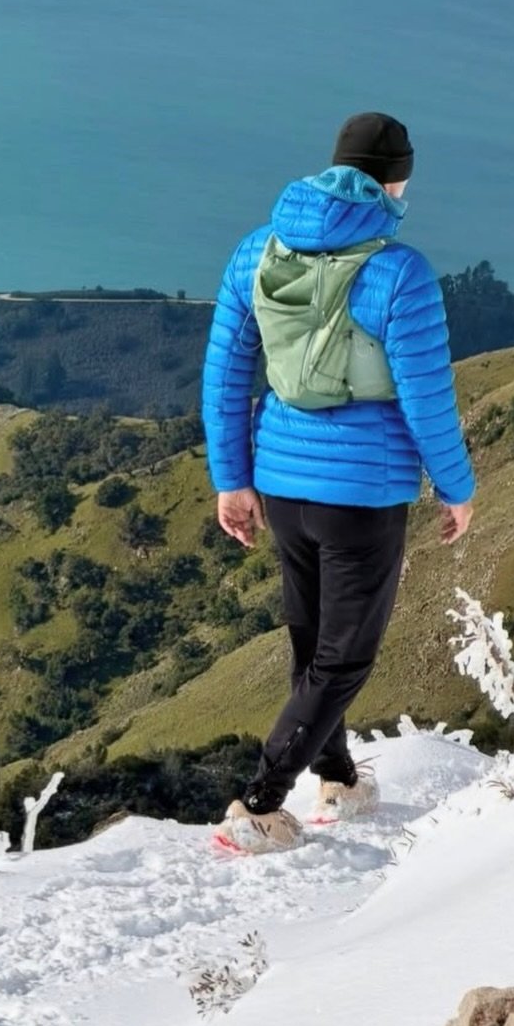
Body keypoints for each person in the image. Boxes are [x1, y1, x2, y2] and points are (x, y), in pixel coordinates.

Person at [201, 112, 475, 853]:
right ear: (395, 182)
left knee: (312, 637)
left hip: (281, 483)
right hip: (363, 494)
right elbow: (426, 396)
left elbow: (227, 371)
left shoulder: (257, 251)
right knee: (343, 656)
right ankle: (259, 803)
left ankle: (339, 780)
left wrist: (232, 477)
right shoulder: (399, 272)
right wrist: (456, 486)